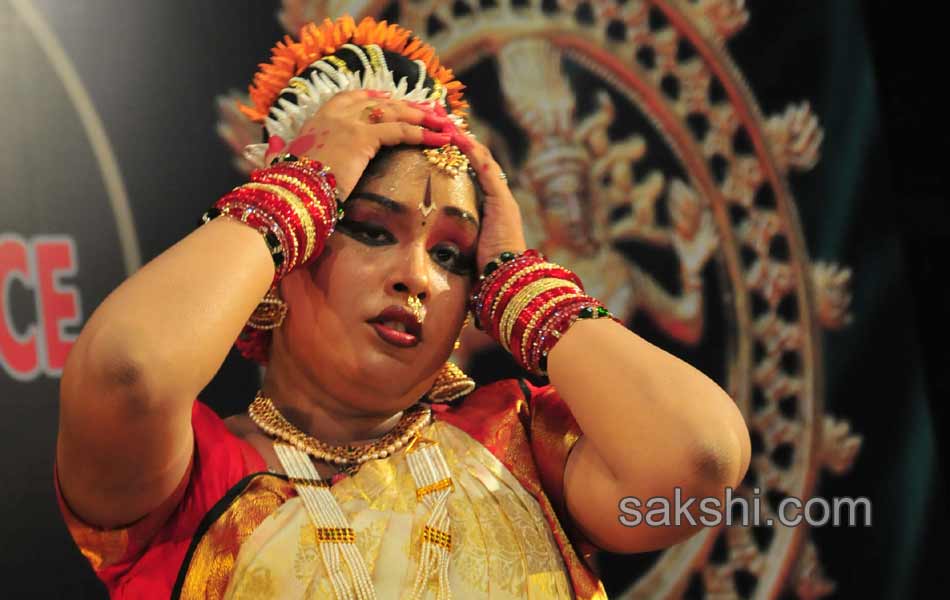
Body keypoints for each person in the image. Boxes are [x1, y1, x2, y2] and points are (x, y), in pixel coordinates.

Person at [54, 15, 751, 600]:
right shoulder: (187, 482)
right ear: (285, 255)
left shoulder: (526, 452)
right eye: (369, 230)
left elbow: (700, 459)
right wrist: (302, 184)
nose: (417, 277)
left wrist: (522, 282)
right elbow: (130, 372)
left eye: (452, 256)